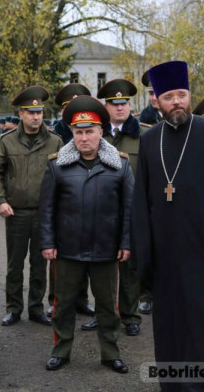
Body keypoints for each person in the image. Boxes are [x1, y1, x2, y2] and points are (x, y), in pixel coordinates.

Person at [132, 60, 204, 390]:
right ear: (156, 101)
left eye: (182, 95)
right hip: (166, 258)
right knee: (170, 328)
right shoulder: (149, 141)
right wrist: (143, 253)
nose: (177, 102)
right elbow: (141, 201)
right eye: (169, 97)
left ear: (189, 96)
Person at [40, 95, 132, 374]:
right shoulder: (57, 165)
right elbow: (47, 209)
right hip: (67, 249)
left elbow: (129, 210)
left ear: (101, 132)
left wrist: (126, 242)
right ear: (72, 134)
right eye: (78, 132)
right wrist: (47, 242)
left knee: (108, 306)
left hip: (106, 248)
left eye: (89, 131)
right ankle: (61, 351)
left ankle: (110, 353)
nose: (84, 138)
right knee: (63, 305)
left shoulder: (120, 165)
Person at [0, 85, 63, 327]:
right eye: (30, 112)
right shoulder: (7, 141)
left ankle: (36, 308)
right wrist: (1, 201)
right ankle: (13, 308)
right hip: (17, 212)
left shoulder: (55, 142)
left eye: (39, 112)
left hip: (44, 213)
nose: (36, 117)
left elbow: (63, 176)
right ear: (20, 114)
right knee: (15, 265)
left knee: (40, 264)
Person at [80, 79, 147, 335]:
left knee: (129, 268)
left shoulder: (144, 135)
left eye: (124, 103)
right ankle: (103, 313)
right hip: (102, 210)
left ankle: (130, 316)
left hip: (132, 210)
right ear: (106, 107)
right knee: (101, 266)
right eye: (114, 103)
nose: (120, 108)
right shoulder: (95, 133)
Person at [46, 83, 95, 318]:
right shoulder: (55, 136)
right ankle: (55, 299)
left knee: (84, 252)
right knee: (58, 257)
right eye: (68, 106)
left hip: (84, 200)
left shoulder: (90, 131)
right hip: (59, 199)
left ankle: (81, 299)